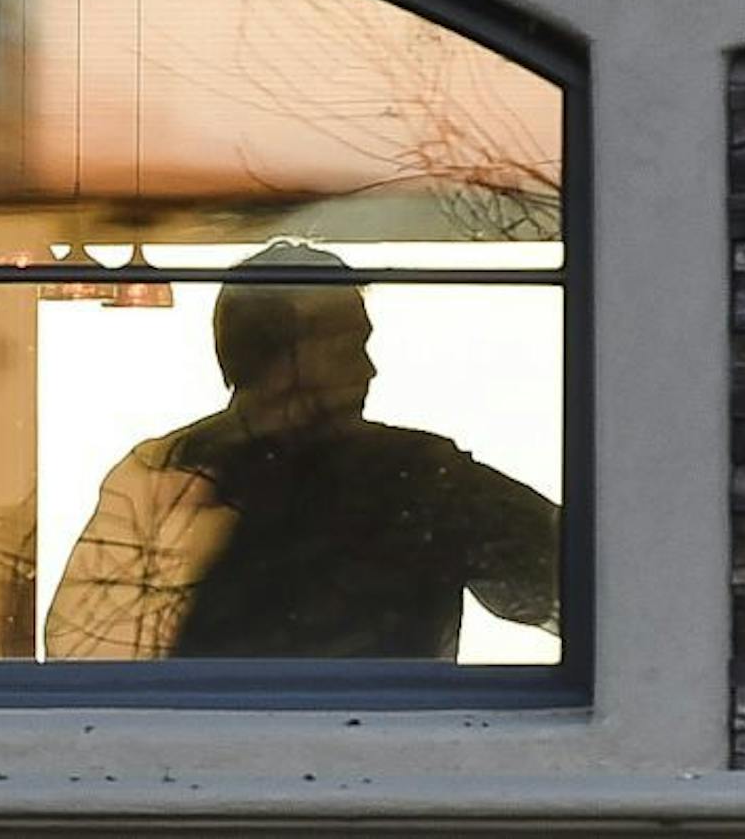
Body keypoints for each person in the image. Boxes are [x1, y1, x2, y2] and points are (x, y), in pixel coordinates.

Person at [44, 241, 558, 660]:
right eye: (349, 347)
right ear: (284, 363)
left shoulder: (160, 474)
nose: (369, 369)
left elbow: (573, 583)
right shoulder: (419, 478)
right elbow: (593, 595)